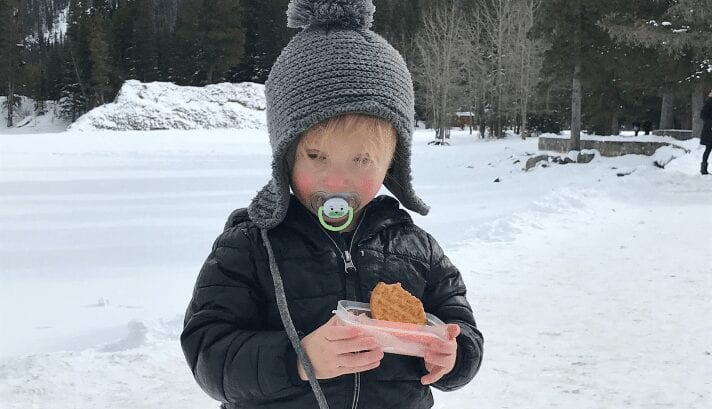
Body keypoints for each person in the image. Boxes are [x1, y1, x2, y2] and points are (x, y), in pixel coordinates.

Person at [180, 1, 483, 409]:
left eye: (361, 161)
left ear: (391, 165)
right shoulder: (251, 246)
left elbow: (459, 323)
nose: (337, 181)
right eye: (317, 157)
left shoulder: (416, 248)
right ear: (286, 155)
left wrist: (454, 354)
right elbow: (208, 350)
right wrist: (298, 360)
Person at [700, 89, 712, 175]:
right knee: (708, 148)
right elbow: (703, 115)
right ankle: (703, 169)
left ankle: (704, 169)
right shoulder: (709, 103)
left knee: (708, 149)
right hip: (709, 130)